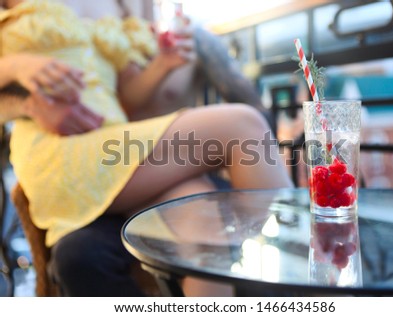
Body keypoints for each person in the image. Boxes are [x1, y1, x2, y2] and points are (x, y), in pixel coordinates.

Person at [0, 0, 292, 296]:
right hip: (58, 151)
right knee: (243, 125)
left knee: (198, 216)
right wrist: (16, 67)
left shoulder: (112, 8)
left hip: (114, 144)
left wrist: (163, 63)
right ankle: (308, 282)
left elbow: (126, 97)